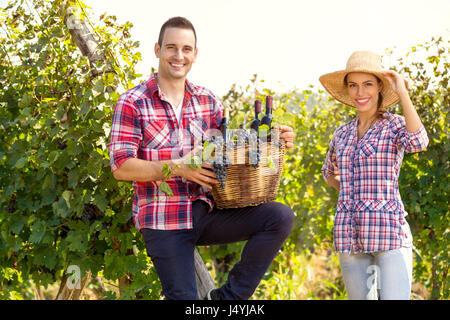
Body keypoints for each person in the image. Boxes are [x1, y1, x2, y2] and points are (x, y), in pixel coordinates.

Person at [107, 16, 296, 300]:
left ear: (195, 54)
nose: (178, 55)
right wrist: (178, 168)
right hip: (163, 219)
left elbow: (232, 151)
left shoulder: (208, 101)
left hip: (207, 212)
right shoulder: (133, 102)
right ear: (157, 50)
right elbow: (121, 167)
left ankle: (224, 301)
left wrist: (271, 140)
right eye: (171, 47)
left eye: (186, 49)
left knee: (279, 217)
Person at [319, 51, 429, 300]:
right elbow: (328, 173)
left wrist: (402, 91)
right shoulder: (342, 134)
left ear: (379, 87)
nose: (360, 93)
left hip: (388, 231)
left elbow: (418, 141)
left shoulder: (394, 125)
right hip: (349, 234)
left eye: (368, 84)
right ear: (347, 90)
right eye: (354, 85)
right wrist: (351, 191)